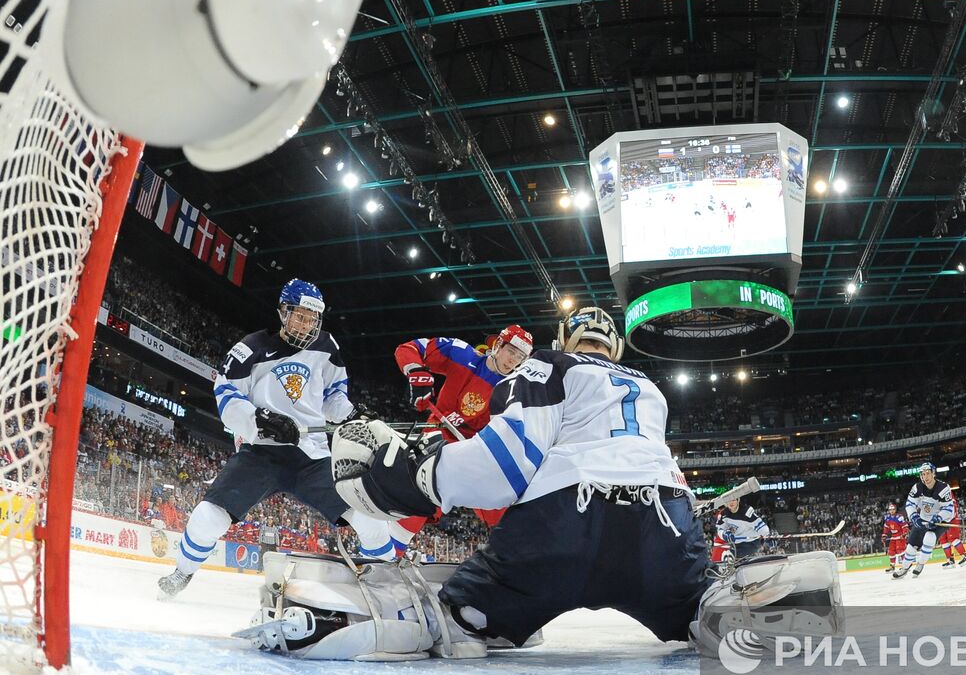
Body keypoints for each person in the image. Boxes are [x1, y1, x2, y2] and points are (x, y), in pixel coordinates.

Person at [331, 306, 711, 653]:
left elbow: (505, 465)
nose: (515, 359)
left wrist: (417, 478)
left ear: (563, 341)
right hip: (667, 529)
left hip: (565, 525)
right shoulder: (650, 388)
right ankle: (723, 612)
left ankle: (439, 614)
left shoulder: (550, 364)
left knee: (461, 616)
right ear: (614, 349)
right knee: (705, 610)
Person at [156, 279, 392, 599]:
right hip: (261, 452)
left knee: (369, 514)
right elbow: (227, 396)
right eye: (300, 315)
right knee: (207, 517)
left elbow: (334, 397)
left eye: (312, 318)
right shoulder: (249, 348)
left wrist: (352, 415)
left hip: (313, 457)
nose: (306, 324)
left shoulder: (327, 347)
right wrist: (261, 419)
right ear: (283, 312)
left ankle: (390, 582)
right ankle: (181, 574)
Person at [390, 324, 533, 548]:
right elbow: (409, 348)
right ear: (497, 345)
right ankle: (390, 550)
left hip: (480, 446)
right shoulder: (460, 353)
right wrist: (416, 371)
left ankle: (508, 557)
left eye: (521, 357)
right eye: (512, 351)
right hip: (440, 433)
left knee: (503, 499)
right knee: (425, 488)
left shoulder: (516, 389)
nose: (514, 360)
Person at [892, 462, 966, 579]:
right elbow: (910, 505)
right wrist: (914, 517)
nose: (925, 477)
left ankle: (920, 564)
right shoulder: (917, 488)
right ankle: (904, 568)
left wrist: (938, 517)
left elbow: (949, 509)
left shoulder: (943, 488)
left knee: (929, 538)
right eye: (922, 474)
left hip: (941, 521)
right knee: (911, 546)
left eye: (927, 474)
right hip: (923, 518)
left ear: (933, 474)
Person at [715, 495, 771, 560]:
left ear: (738, 500)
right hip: (736, 544)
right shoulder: (724, 514)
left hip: (751, 543)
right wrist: (724, 535)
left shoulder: (746, 512)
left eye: (733, 500)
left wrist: (763, 534)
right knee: (725, 557)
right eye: (728, 501)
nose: (731, 503)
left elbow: (764, 530)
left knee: (729, 555)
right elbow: (720, 529)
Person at [881, 501, 908, 573]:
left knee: (900, 550)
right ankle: (892, 566)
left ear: (895, 510)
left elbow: (905, 526)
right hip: (893, 536)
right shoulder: (888, 518)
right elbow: (886, 528)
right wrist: (884, 535)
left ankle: (905, 566)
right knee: (891, 551)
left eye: (893, 509)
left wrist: (905, 533)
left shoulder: (899, 517)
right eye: (890, 510)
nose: (891, 511)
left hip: (900, 536)